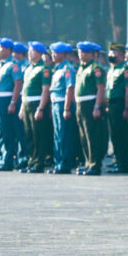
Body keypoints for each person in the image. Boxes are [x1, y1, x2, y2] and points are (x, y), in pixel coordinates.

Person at [0, 38, 23, 171]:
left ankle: (8, 159)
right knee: (1, 131)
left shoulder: (13, 64)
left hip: (5, 100)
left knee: (7, 131)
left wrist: (13, 102)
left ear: (9, 50)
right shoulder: (1, 64)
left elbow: (18, 83)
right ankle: (4, 157)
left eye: (1, 48)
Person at [74, 41, 108, 175]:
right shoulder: (81, 67)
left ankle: (94, 164)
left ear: (91, 54)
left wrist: (97, 106)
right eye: (80, 52)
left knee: (91, 135)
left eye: (84, 52)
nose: (81, 55)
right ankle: (88, 162)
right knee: (83, 135)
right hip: (80, 103)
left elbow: (100, 89)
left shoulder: (95, 68)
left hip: (90, 103)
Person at [18, 41, 52, 173]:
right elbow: (24, 90)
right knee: (29, 134)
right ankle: (31, 161)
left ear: (39, 53)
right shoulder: (29, 68)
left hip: (36, 104)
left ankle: (38, 163)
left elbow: (45, 90)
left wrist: (41, 108)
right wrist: (21, 107)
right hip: (26, 103)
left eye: (32, 51)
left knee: (38, 134)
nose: (29, 53)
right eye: (29, 51)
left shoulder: (44, 69)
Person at [47, 42, 77, 174]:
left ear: (64, 54)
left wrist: (66, 108)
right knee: (57, 135)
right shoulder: (57, 68)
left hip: (62, 104)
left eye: (56, 52)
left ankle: (64, 163)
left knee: (63, 135)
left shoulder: (67, 69)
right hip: (55, 104)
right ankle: (58, 162)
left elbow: (69, 89)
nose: (53, 55)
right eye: (53, 52)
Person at [105, 43, 128, 174]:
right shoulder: (112, 69)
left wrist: (127, 108)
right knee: (114, 135)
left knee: (121, 135)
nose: (111, 55)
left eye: (114, 53)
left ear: (121, 55)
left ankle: (124, 164)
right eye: (110, 52)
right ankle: (118, 161)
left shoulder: (125, 69)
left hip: (120, 104)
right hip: (110, 104)